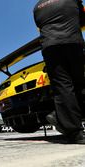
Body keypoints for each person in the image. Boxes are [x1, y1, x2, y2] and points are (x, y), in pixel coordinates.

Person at [34, 0, 85, 144]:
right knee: (79, 84)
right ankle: (72, 129)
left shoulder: (37, 7)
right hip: (72, 42)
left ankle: (64, 120)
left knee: (62, 87)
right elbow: (82, 19)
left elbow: (39, 26)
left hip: (50, 47)